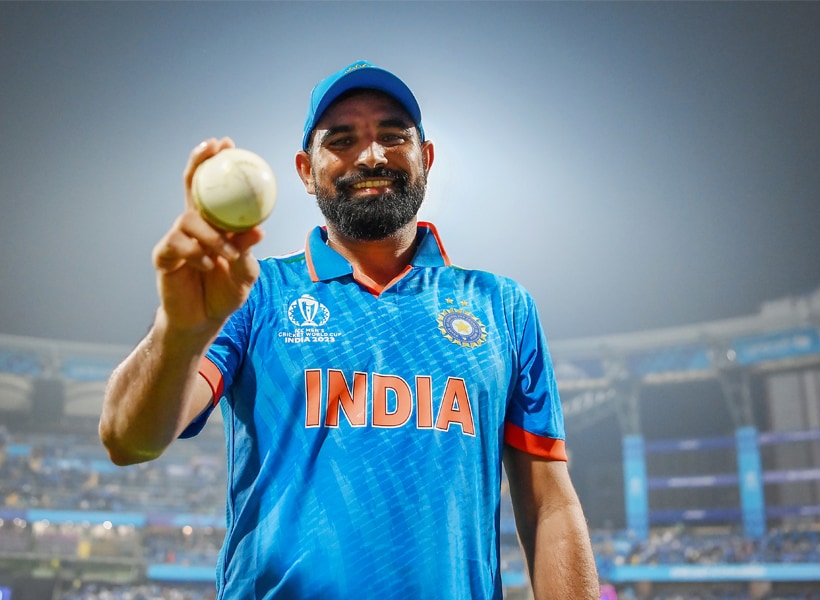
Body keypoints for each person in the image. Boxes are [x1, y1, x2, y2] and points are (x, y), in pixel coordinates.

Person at [100, 60, 599, 599]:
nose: (371, 155)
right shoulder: (254, 293)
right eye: (341, 140)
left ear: (426, 159)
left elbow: (549, 502)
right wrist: (178, 331)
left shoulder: (503, 308)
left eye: (392, 135)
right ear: (304, 170)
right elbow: (129, 439)